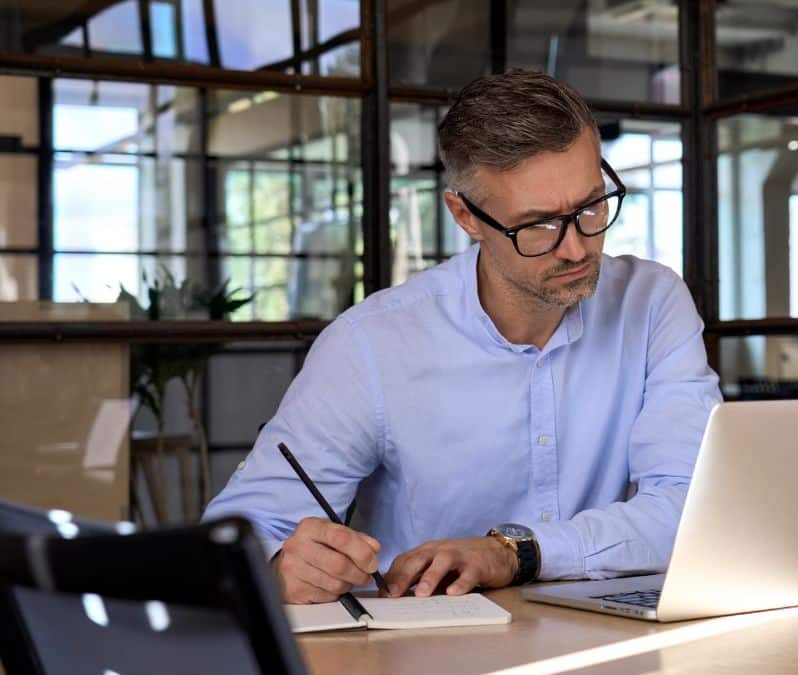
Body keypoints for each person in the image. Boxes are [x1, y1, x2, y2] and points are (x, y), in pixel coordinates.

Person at [204, 69, 721, 604]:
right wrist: (276, 564)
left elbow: (693, 506)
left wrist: (514, 552)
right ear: (465, 216)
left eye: (590, 206)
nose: (575, 248)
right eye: (539, 225)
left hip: (611, 641)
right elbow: (236, 533)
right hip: (426, 649)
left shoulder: (652, 301)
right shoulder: (372, 344)